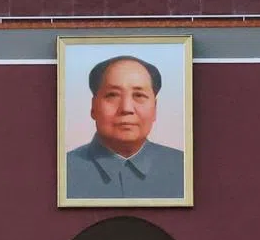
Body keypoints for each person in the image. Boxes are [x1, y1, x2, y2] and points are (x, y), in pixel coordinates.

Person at [66, 56, 185, 200]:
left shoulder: (184, 168)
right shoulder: (63, 170)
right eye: (112, 95)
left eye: (139, 95)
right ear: (93, 107)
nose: (126, 108)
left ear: (155, 108)